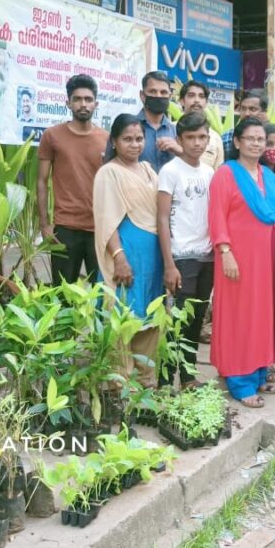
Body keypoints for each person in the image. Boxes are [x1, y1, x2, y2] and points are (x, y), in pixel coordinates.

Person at [209, 118, 275, 407]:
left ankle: (259, 372)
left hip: (268, 259)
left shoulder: (268, 175)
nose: (258, 143)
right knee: (240, 316)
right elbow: (217, 215)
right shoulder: (225, 174)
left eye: (262, 139)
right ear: (236, 142)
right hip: (238, 259)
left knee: (263, 314)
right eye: (251, 138)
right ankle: (239, 380)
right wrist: (225, 251)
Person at [93, 113, 165, 386]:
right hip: (127, 253)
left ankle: (146, 380)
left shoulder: (148, 169)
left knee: (149, 313)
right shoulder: (108, 172)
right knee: (123, 315)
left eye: (139, 139)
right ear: (114, 141)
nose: (134, 145)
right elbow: (106, 221)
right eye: (127, 139)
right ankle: (119, 384)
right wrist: (118, 258)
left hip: (152, 255)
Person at [158, 112, 216, 389]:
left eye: (202, 137)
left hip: (208, 256)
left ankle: (189, 376)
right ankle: (166, 379)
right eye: (190, 137)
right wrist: (169, 264)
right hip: (182, 256)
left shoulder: (209, 172)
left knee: (196, 321)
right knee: (177, 320)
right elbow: (161, 218)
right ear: (179, 139)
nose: (197, 143)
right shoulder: (170, 171)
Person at [37, 74, 110, 284]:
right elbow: (41, 181)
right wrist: (44, 225)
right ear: (68, 102)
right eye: (77, 99)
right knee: (62, 293)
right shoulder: (52, 136)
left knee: (100, 295)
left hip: (99, 228)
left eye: (88, 99)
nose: (83, 104)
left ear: (96, 104)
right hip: (65, 228)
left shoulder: (107, 139)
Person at [105, 71, 181, 171]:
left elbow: (190, 168)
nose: (158, 96)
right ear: (142, 95)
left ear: (170, 96)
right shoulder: (125, 128)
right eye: (153, 92)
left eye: (163, 92)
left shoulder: (177, 132)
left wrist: (180, 151)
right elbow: (109, 167)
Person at [179, 79, 224, 170]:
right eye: (191, 96)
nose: (197, 100)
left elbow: (218, 173)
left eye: (201, 96)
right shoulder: (170, 130)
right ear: (182, 101)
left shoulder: (215, 138)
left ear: (206, 103)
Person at [224, 90, 269, 156]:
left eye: (252, 109)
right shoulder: (228, 137)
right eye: (243, 109)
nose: (246, 113)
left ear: (264, 112)